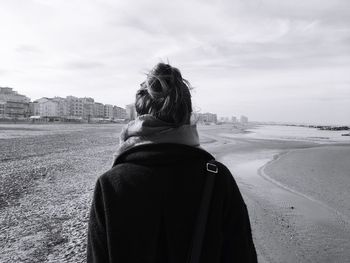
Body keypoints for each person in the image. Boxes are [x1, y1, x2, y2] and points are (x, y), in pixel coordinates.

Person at [87, 63, 257, 263]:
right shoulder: (217, 178)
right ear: (188, 116)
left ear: (139, 118)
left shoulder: (111, 184)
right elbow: (242, 255)